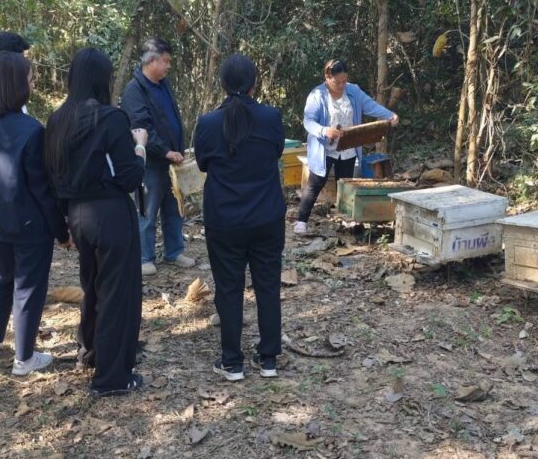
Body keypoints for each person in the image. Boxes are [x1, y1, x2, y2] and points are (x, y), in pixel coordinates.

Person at [46, 48, 149, 397]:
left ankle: (90, 351)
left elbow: (53, 177)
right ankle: (112, 377)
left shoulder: (58, 120)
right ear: (102, 80)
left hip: (77, 213)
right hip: (110, 213)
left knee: (92, 286)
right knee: (117, 293)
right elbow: (129, 177)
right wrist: (140, 147)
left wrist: (62, 226)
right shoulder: (110, 118)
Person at [0, 51, 70, 376]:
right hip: (27, 224)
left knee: (0, 278)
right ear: (16, 84)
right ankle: (24, 357)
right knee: (28, 287)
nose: (33, 85)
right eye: (31, 79)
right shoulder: (30, 130)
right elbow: (42, 188)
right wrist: (61, 230)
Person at [194, 54, 285, 381]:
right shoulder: (271, 117)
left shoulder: (208, 123)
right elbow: (276, 152)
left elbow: (203, 163)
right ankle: (269, 358)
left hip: (225, 218)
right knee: (268, 285)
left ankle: (232, 362)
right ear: (253, 83)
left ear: (222, 84)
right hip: (266, 215)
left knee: (229, 288)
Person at [295, 59, 399, 234]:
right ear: (327, 77)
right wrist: (325, 130)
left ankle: (345, 221)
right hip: (324, 149)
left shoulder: (353, 91)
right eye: (338, 82)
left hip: (347, 147)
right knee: (315, 183)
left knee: (345, 185)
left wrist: (389, 115)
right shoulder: (317, 95)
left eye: (344, 81)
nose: (342, 85)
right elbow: (308, 121)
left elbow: (370, 106)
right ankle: (301, 221)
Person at [120, 38, 195, 276]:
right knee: (147, 210)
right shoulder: (134, 90)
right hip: (151, 162)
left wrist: (177, 149)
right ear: (151, 61)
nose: (168, 66)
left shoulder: (164, 84)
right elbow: (140, 127)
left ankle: (174, 251)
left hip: (173, 161)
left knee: (174, 207)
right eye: (166, 61)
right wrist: (164, 150)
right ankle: (144, 257)